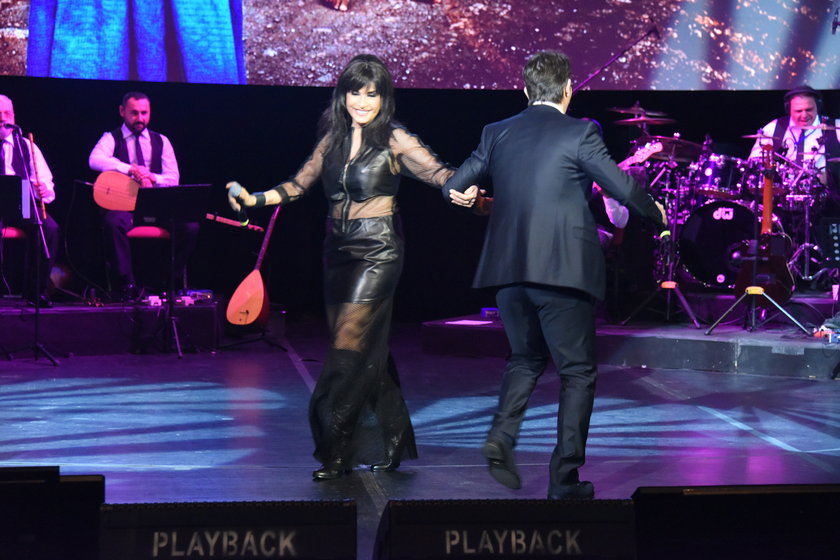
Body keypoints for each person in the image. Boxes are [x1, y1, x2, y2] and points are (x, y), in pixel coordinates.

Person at [444, 51, 666, 500]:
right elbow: (620, 185)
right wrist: (656, 215)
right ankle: (564, 480)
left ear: (525, 90)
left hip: (508, 272)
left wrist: (459, 195)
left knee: (525, 359)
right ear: (568, 90)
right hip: (564, 271)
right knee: (577, 372)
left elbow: (454, 185)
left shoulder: (496, 131)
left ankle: (502, 436)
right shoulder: (580, 132)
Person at [228, 54, 456, 480]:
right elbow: (298, 185)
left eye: (372, 94)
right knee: (363, 348)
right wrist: (253, 198)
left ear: (383, 98)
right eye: (355, 92)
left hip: (378, 250)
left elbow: (440, 174)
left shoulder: (394, 138)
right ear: (343, 95)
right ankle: (391, 440)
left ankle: (337, 447)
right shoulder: (332, 138)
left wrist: (465, 191)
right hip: (336, 251)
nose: (362, 102)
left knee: (346, 346)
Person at [89, 91, 197, 302]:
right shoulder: (111, 138)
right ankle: (126, 286)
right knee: (113, 222)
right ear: (122, 111)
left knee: (190, 227)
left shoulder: (161, 141)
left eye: (144, 113)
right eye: (134, 113)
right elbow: (94, 160)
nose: (140, 118)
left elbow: (173, 178)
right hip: (126, 207)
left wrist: (152, 177)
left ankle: (169, 284)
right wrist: (129, 169)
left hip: (158, 207)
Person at [0, 94, 60, 308]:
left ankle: (37, 290)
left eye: (7, 113)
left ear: (14, 117)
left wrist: (43, 189)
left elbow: (46, 181)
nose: (3, 118)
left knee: (49, 228)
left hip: (22, 201)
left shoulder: (26, 145)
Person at [747, 85, 840, 194]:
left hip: (827, 197)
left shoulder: (836, 127)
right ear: (789, 110)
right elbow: (754, 161)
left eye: (809, 110)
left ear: (818, 107)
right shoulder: (774, 127)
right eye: (798, 111)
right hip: (782, 197)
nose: (804, 115)